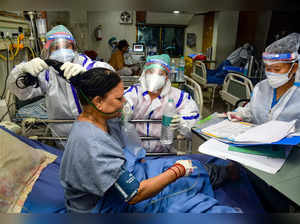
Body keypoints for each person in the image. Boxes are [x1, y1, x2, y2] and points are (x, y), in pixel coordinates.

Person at [59, 67, 240, 213]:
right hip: (107, 205)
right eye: (119, 98)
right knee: (183, 187)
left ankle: (221, 173)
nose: (123, 102)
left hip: (125, 175)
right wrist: (178, 171)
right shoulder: (92, 144)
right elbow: (134, 194)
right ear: (98, 101)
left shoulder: (97, 117)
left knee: (189, 165)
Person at [7, 25, 114, 148]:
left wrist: (90, 76)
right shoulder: (47, 74)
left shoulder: (89, 66)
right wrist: (22, 70)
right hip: (64, 141)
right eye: (56, 47)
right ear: (48, 51)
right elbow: (21, 92)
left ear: (74, 48)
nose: (62, 50)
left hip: (98, 139)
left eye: (66, 46)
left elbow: (112, 80)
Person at [124, 54, 200, 152]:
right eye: (151, 72)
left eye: (160, 74)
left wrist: (182, 122)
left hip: (163, 151)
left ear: (167, 77)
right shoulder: (134, 92)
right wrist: (124, 112)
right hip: (134, 151)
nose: (154, 76)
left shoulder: (178, 96)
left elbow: (193, 116)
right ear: (144, 73)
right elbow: (122, 106)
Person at [226, 33, 300, 131]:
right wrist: (240, 114)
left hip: (287, 146)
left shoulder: (297, 95)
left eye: (277, 69)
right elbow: (251, 110)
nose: (271, 73)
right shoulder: (261, 87)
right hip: (254, 141)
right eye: (268, 68)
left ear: (294, 68)